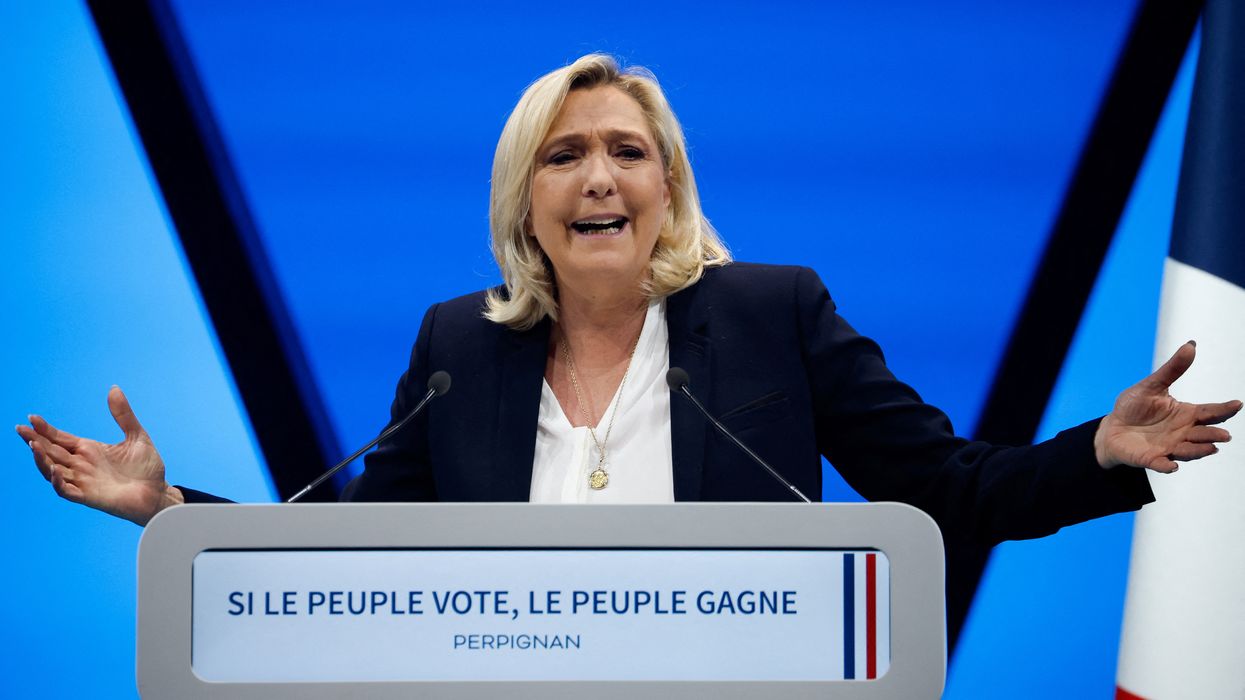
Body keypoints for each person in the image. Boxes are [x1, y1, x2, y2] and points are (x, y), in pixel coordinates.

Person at [16, 54, 1241, 545]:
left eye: (625, 150)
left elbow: (949, 488)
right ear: (525, 202)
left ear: (668, 188)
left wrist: (1100, 451)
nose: (598, 175)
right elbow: (349, 555)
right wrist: (170, 504)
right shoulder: (458, 345)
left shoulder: (773, 312)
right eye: (563, 155)